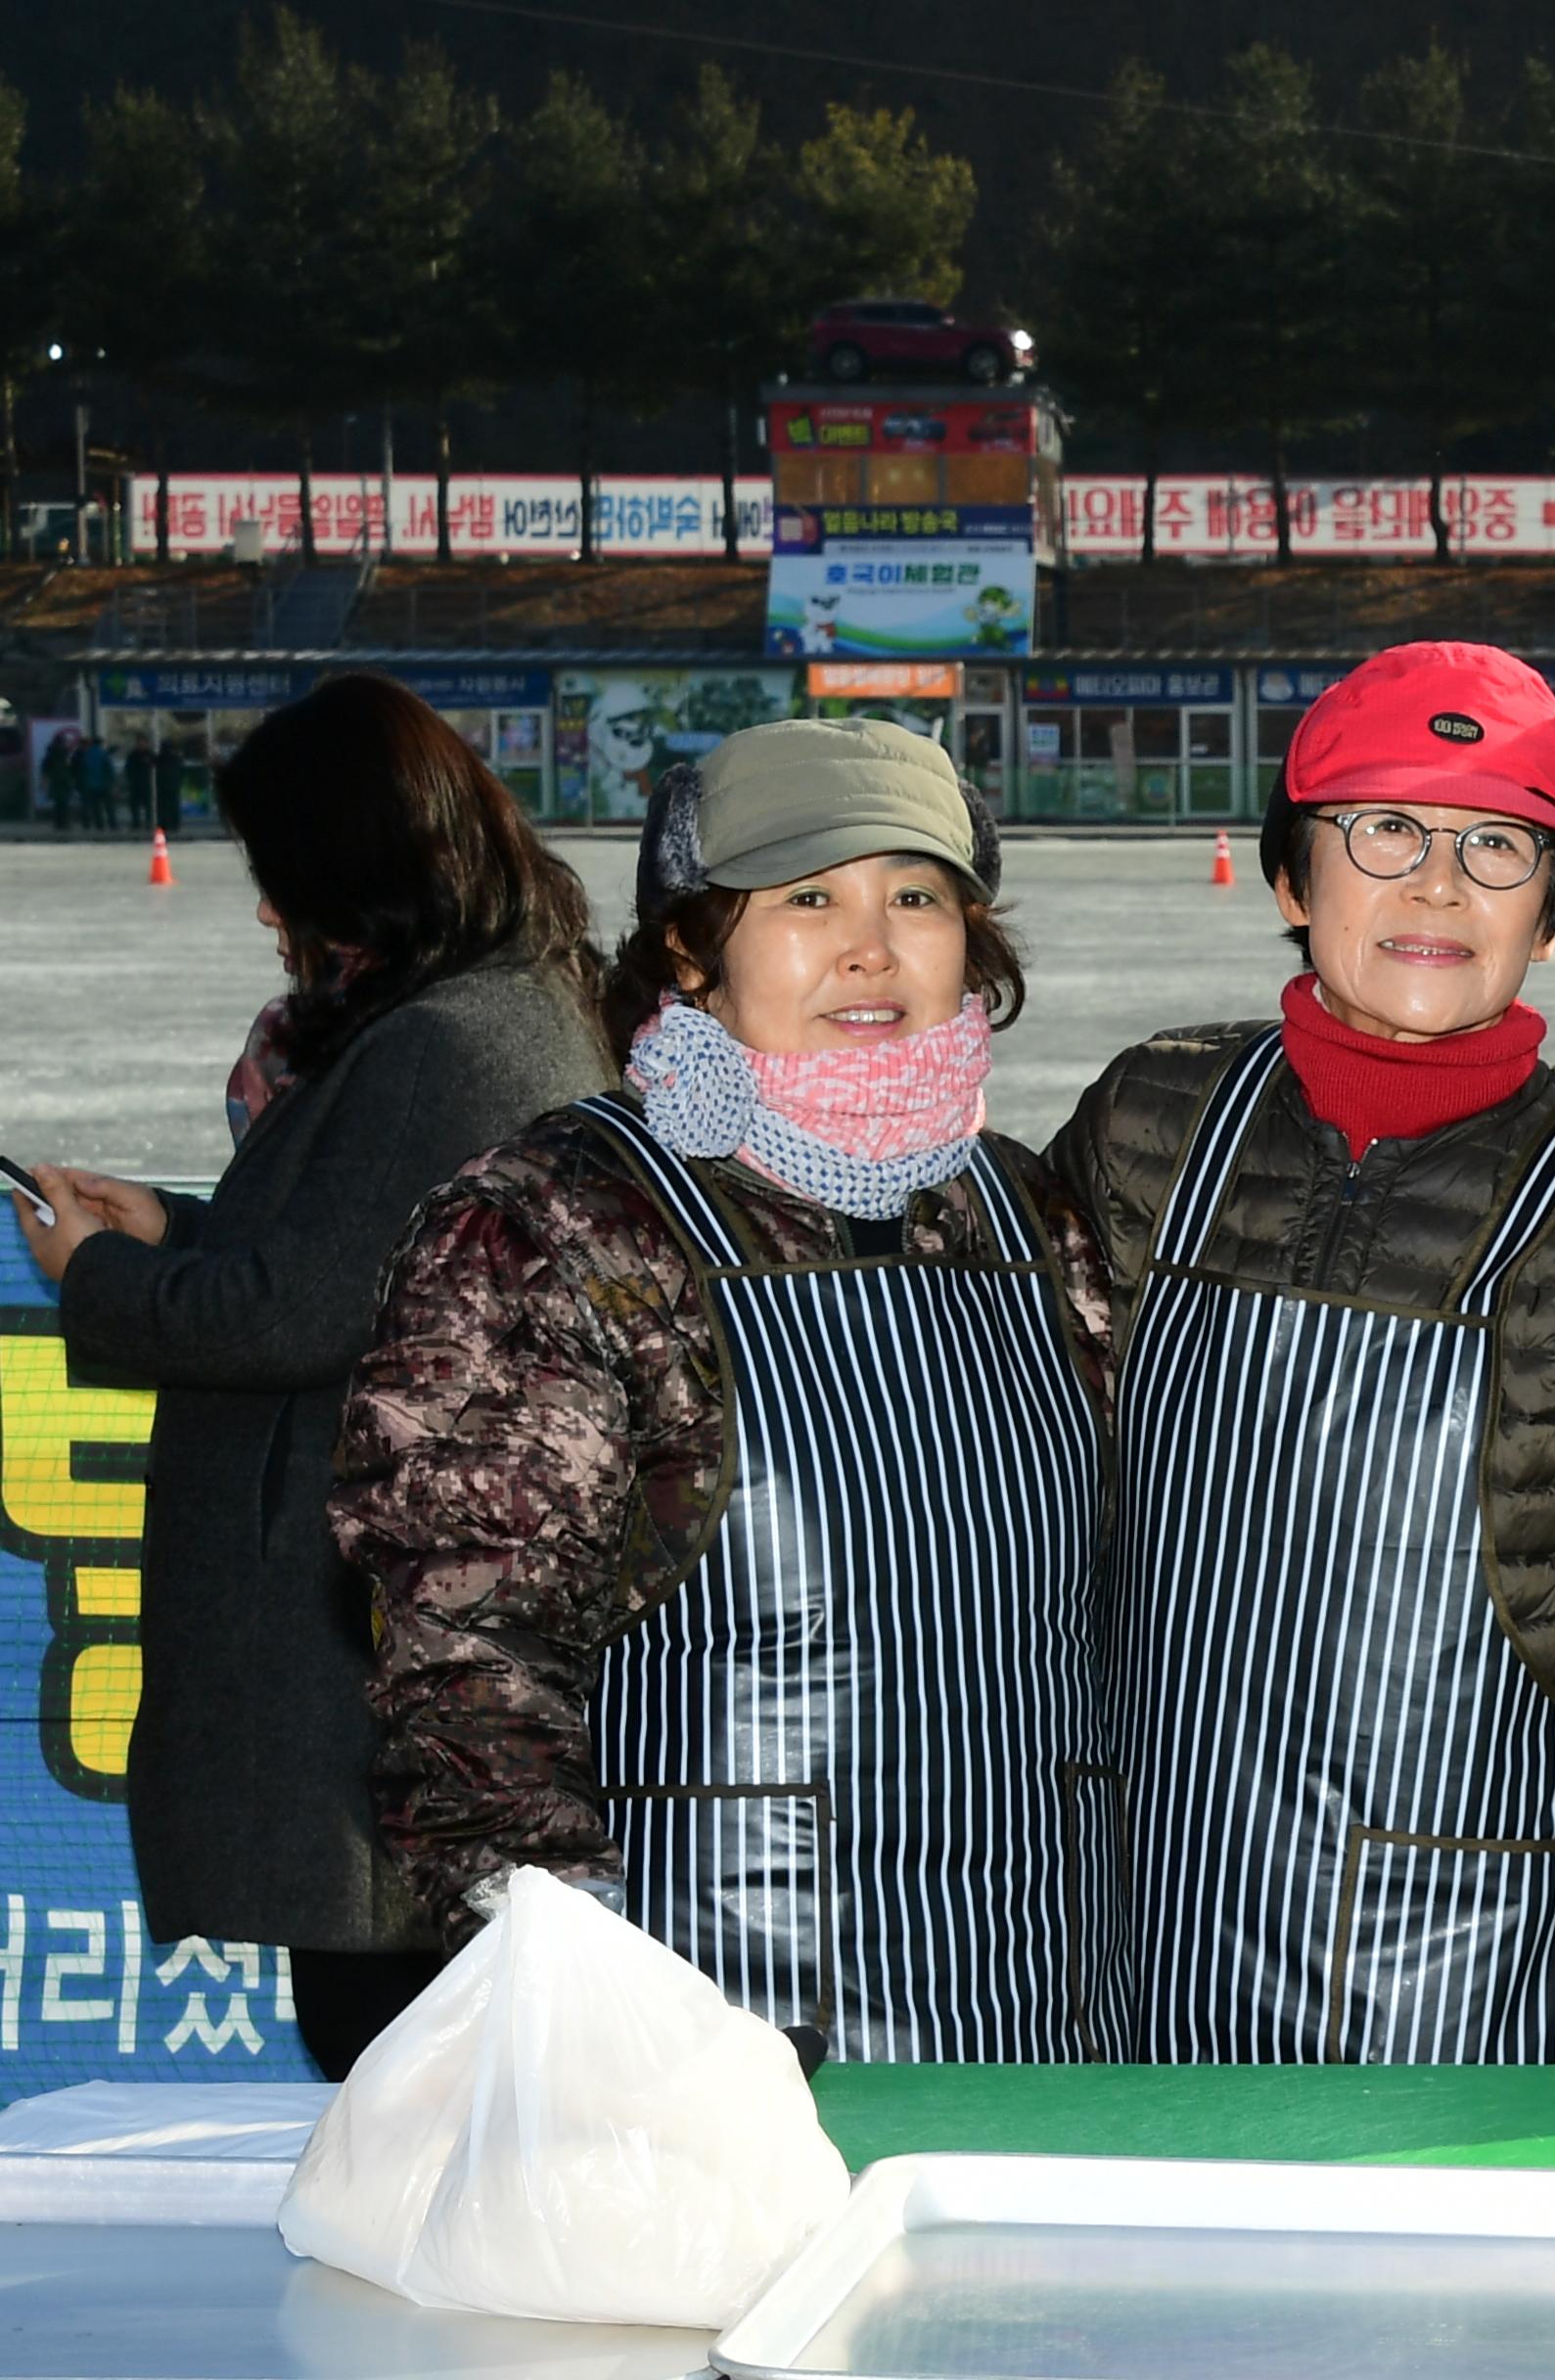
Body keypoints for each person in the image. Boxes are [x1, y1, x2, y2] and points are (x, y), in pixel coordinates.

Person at [337, 717, 1117, 2063]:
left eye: (916, 896)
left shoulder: (1021, 1210)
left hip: (1034, 2009)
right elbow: (470, 1667)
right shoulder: (560, 1224)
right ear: (692, 948)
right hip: (711, 2036)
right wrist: (587, 2002)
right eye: (809, 898)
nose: (871, 947)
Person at [1055, 641, 1555, 2066]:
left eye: (1498, 847)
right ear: (1290, 877)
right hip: (1145, 1919)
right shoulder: (1155, 1119)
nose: (1438, 887)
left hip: (1470, 1946)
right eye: (1384, 830)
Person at [13, 673, 612, 2079]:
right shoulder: (489, 1010)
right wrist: (179, 1227)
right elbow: (376, 1261)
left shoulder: (447, 1042)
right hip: (405, 1632)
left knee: (391, 2061)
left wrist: (92, 1274)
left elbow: (297, 1314)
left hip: (374, 1644)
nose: (266, 908)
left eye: (273, 870)